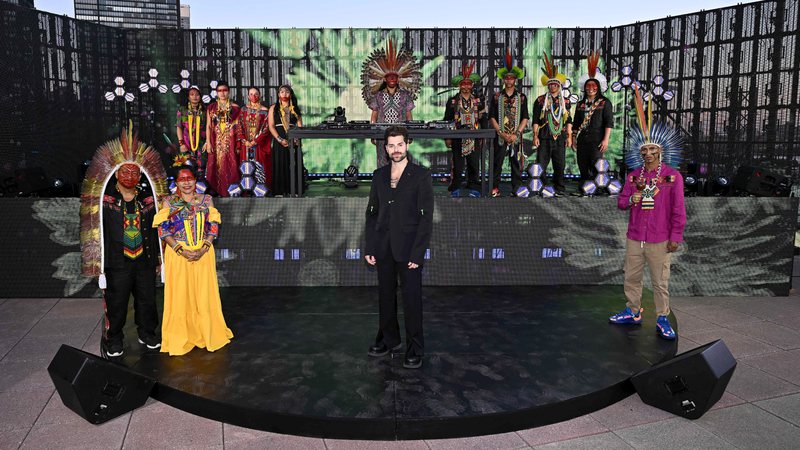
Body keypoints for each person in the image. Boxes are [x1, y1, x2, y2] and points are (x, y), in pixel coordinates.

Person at [79, 128, 168, 359]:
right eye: (125, 171)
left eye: (135, 172)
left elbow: (159, 228)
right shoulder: (105, 201)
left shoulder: (148, 200)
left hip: (145, 260)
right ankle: (114, 338)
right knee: (116, 302)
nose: (130, 176)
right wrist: (96, 261)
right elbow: (93, 228)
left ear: (141, 175)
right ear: (116, 173)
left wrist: (160, 258)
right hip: (117, 262)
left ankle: (147, 333)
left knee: (147, 301)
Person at [609, 84, 686, 340]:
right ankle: (633, 311)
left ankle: (663, 317)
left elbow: (678, 210)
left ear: (660, 151)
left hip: (660, 238)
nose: (648, 153)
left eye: (652, 149)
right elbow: (621, 203)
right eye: (644, 150)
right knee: (631, 278)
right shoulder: (633, 177)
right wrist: (633, 197)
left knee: (659, 282)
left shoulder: (672, 177)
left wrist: (675, 236)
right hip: (635, 237)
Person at [364, 126, 433, 369]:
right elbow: (372, 214)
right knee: (385, 297)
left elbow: (426, 219)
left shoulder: (421, 176)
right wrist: (370, 246)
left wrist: (418, 253)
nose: (396, 150)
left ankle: (416, 348)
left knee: (412, 300)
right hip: (383, 247)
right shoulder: (378, 175)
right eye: (391, 145)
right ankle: (387, 340)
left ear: (407, 145)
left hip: (409, 250)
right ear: (385, 147)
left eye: (399, 145)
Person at [153, 165, 233, 355]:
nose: (186, 182)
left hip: (203, 254)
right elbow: (163, 230)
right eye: (182, 179)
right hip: (178, 255)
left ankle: (207, 333)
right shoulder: (168, 202)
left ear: (195, 180)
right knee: (180, 295)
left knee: (204, 295)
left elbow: (213, 227)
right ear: (177, 182)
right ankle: (181, 335)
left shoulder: (207, 200)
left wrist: (204, 248)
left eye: (190, 178)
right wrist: (180, 249)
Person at [362, 39, 422, 168]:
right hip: (382, 133)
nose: (392, 79)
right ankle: (383, 185)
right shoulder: (378, 95)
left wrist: (409, 132)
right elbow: (374, 115)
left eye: (395, 77)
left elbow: (409, 115)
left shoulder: (405, 95)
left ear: (398, 79)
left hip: (400, 132)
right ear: (385, 79)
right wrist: (373, 133)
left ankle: (399, 185)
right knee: (382, 161)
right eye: (389, 77)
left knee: (399, 161)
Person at [489, 48, 529, 197]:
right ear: (503, 79)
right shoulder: (496, 96)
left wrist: (516, 133)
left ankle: (517, 188)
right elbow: (492, 116)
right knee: (497, 162)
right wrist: (501, 132)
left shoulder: (522, 97)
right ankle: (494, 188)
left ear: (515, 79)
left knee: (516, 163)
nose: (509, 80)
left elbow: (525, 117)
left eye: (511, 78)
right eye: (506, 78)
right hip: (501, 135)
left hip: (515, 136)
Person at [532, 52, 573, 196]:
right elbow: (536, 119)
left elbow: (568, 120)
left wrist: (569, 137)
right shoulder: (540, 100)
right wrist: (535, 136)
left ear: (559, 86)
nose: (553, 86)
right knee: (541, 164)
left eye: (555, 84)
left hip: (560, 136)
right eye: (550, 84)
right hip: (544, 136)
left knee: (559, 164)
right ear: (547, 85)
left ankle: (559, 188)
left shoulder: (565, 102)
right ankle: (542, 186)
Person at [572, 51, 613, 192]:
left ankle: (598, 189)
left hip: (597, 140)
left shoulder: (604, 102)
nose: (590, 89)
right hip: (582, 139)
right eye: (588, 86)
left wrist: (605, 140)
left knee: (597, 165)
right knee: (582, 164)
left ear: (598, 87)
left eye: (593, 86)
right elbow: (576, 123)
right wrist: (573, 138)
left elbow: (608, 122)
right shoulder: (580, 104)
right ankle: (585, 188)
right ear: (584, 88)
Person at [444, 61, 485, 197]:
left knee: (474, 164)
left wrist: (483, 136)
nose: (466, 86)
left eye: (468, 84)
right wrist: (448, 137)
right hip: (457, 136)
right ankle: (455, 187)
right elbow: (447, 120)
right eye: (463, 84)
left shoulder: (478, 101)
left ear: (472, 85)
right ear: (459, 85)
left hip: (474, 136)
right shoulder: (453, 101)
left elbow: (483, 119)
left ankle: (474, 187)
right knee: (458, 164)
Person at [204, 81, 242, 197]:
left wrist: (238, 144)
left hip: (229, 141)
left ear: (229, 92)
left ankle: (231, 191)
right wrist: (208, 142)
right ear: (216, 93)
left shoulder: (235, 108)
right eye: (219, 91)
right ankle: (215, 192)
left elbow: (239, 128)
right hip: (215, 141)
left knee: (231, 165)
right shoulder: (211, 108)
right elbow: (209, 126)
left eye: (224, 90)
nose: (222, 93)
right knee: (214, 165)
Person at [268, 84, 303, 196]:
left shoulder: (295, 109)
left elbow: (300, 125)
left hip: (294, 140)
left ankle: (295, 190)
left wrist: (297, 139)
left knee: (293, 165)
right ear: (278, 94)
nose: (284, 94)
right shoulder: (273, 108)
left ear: (290, 94)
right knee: (280, 164)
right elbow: (271, 126)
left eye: (287, 92)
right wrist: (279, 139)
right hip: (280, 141)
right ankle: (279, 191)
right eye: (282, 92)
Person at [238, 86, 272, 190]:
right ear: (248, 96)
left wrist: (255, 141)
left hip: (259, 145)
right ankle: (247, 189)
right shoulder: (243, 109)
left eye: (256, 94)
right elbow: (239, 126)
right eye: (251, 94)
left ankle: (261, 190)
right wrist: (244, 141)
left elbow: (267, 128)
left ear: (260, 95)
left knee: (260, 166)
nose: (254, 96)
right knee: (246, 166)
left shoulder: (265, 110)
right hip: (246, 145)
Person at [175, 86, 207, 179]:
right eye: (192, 95)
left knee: (202, 168)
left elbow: (209, 128)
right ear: (188, 97)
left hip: (202, 145)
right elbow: (179, 127)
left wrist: (207, 142)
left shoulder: (205, 111)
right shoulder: (182, 110)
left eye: (197, 95)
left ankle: (201, 189)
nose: (195, 97)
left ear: (200, 97)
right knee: (187, 168)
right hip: (187, 144)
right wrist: (181, 144)